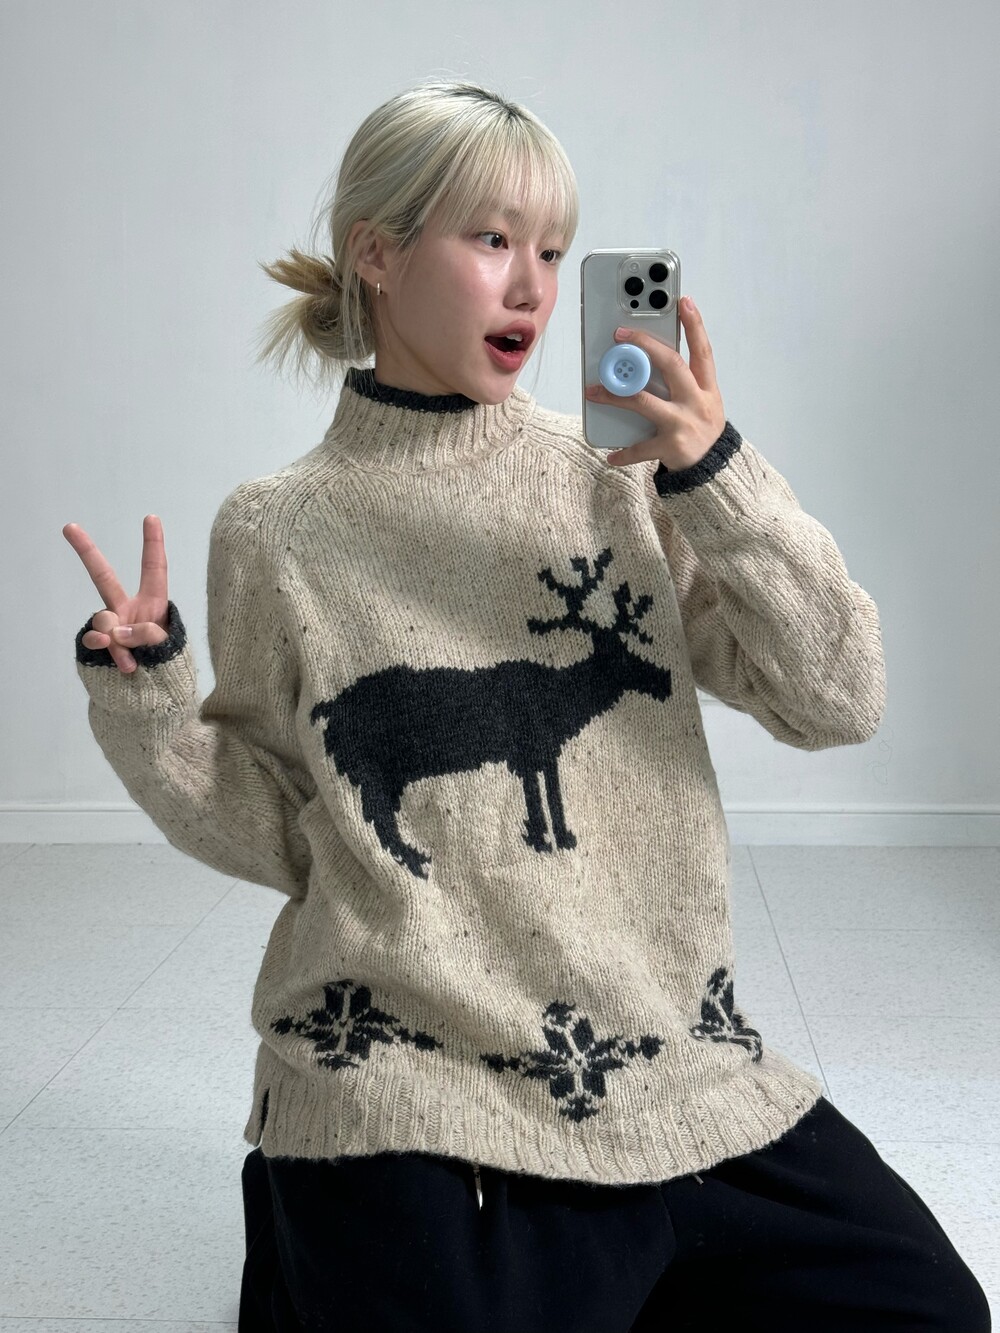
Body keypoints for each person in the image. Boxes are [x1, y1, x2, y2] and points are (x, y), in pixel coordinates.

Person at [64, 79, 990, 1333]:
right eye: (493, 239)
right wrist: (150, 699)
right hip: (405, 1065)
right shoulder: (276, 531)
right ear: (376, 253)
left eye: (552, 251)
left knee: (934, 1313)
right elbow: (286, 827)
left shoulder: (621, 482)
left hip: (668, 1058)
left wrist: (716, 473)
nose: (533, 287)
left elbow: (838, 697)